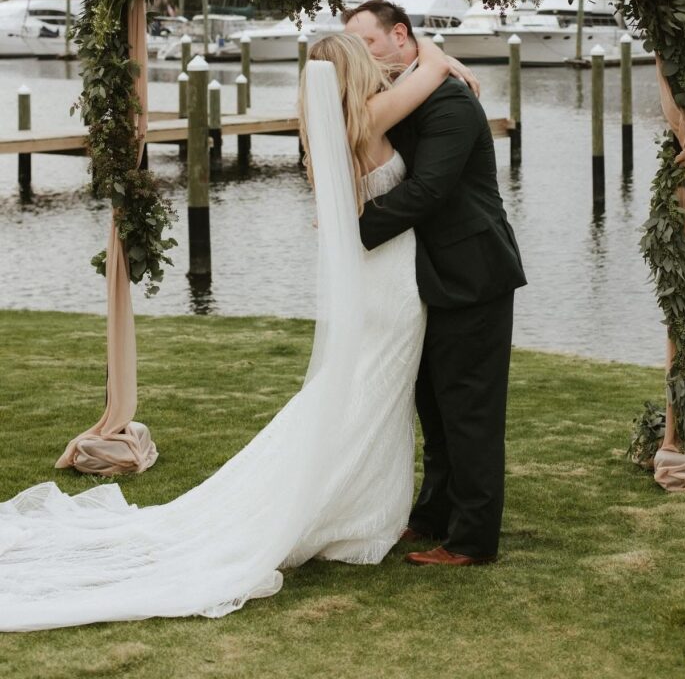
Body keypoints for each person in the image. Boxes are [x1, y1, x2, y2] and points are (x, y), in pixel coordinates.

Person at [0, 32, 455, 631]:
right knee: (373, 396)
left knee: (362, 395)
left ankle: (355, 507)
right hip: (391, 284)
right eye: (367, 60)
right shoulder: (369, 118)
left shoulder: (325, 129)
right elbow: (432, 67)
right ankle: (351, 514)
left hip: (378, 280)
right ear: (353, 71)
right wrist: (444, 60)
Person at [345, 1, 526, 566]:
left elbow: (429, 191)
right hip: (426, 277)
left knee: (470, 409)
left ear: (400, 36)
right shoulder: (412, 89)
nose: (362, 57)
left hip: (474, 272)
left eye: (367, 44)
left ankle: (472, 539)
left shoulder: (450, 100)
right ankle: (431, 515)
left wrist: (352, 233)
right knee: (434, 406)